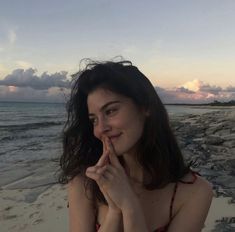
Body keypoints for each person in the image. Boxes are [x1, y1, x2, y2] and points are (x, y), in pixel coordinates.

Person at [59, 59, 213, 232]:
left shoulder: (195, 192)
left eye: (110, 111)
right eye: (93, 120)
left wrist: (130, 206)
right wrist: (115, 212)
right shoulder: (85, 182)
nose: (101, 128)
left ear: (145, 106)